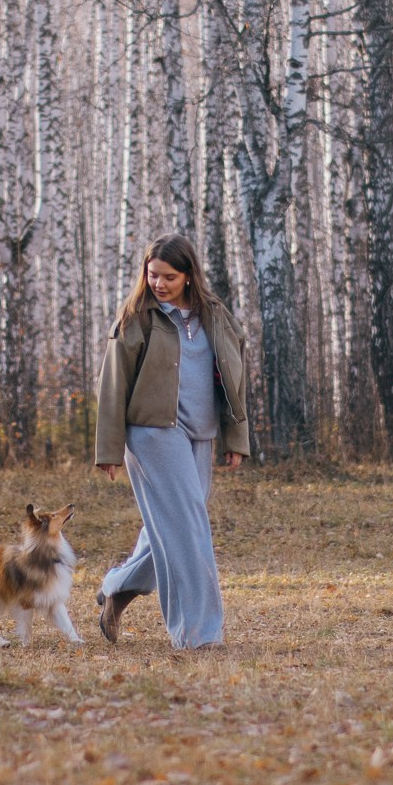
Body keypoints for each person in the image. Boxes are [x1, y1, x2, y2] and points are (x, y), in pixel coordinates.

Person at [93, 235, 250, 649]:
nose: (159, 283)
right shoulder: (136, 319)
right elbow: (113, 387)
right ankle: (199, 635)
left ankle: (116, 587)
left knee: (172, 528)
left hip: (200, 434)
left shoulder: (215, 316)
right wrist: (108, 449)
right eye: (152, 275)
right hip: (152, 434)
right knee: (189, 532)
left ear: (188, 276)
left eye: (169, 276)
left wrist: (236, 436)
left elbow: (235, 378)